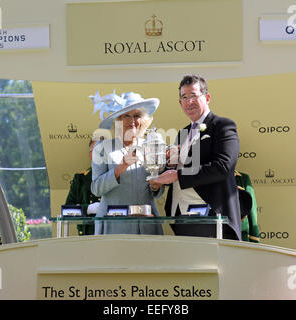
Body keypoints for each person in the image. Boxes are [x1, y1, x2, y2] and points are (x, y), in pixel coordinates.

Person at [151, 74, 242, 240]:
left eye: (193, 95)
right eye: (184, 97)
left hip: (211, 215)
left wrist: (177, 175)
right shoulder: (182, 133)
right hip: (180, 215)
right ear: (180, 103)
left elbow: (223, 166)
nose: (189, 101)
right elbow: (179, 167)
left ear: (207, 97)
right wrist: (168, 166)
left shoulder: (223, 125)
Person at [90, 91, 164, 235]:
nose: (132, 121)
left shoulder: (151, 146)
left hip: (146, 226)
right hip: (114, 226)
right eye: (126, 116)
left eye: (137, 115)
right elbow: (96, 188)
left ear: (144, 120)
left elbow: (157, 193)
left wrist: (156, 186)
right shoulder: (102, 148)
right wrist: (121, 167)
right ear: (118, 120)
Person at [64, 139, 101, 235]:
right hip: (88, 235)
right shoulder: (80, 179)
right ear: (90, 155)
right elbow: (67, 211)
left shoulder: (116, 177)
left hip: (111, 234)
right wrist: (88, 209)